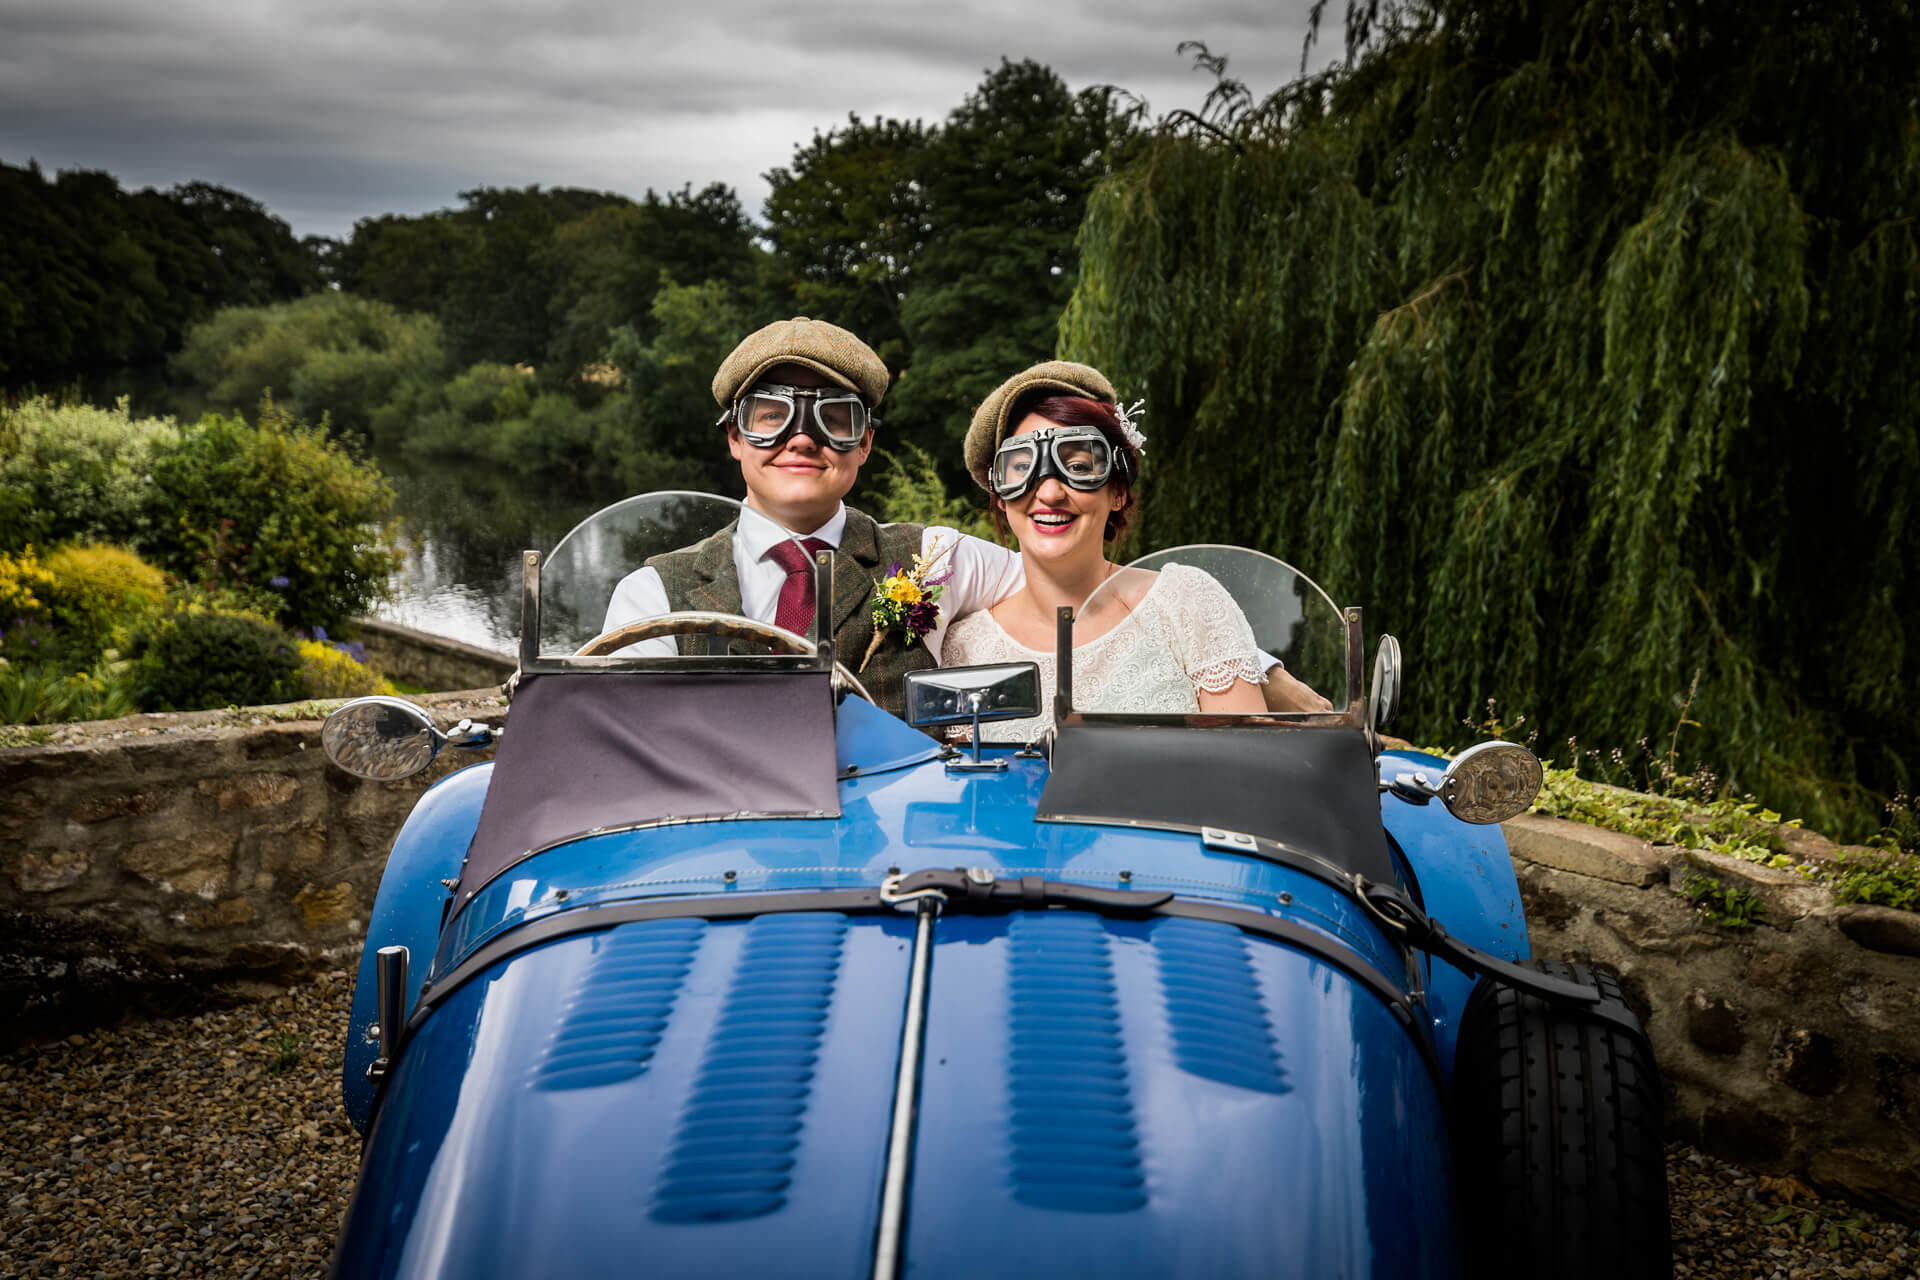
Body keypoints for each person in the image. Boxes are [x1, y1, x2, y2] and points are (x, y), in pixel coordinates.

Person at [602, 316, 1023, 719]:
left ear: (864, 443)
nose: (802, 438)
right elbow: (627, 747)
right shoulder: (652, 595)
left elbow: (1066, 587)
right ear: (735, 436)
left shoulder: (932, 559)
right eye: (772, 416)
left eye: (834, 419)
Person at [942, 361, 1329, 741]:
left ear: (1118, 491)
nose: (1049, 493)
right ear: (1001, 499)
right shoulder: (963, 648)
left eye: (1077, 466)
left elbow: (1249, 771)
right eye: (1022, 469)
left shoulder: (1186, 603)